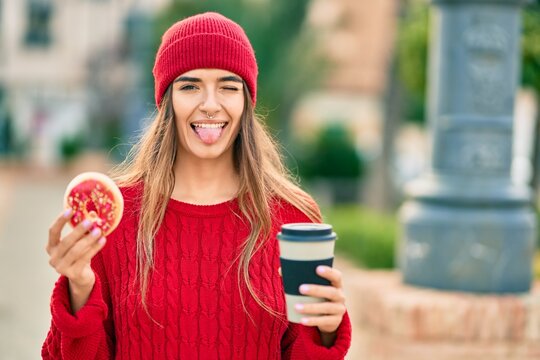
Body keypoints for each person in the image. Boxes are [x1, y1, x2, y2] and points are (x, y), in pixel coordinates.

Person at [42, 12, 351, 359]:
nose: (209, 105)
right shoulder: (115, 217)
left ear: (246, 101)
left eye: (228, 87)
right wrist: (79, 288)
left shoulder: (293, 218)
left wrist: (326, 329)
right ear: (167, 101)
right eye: (190, 86)